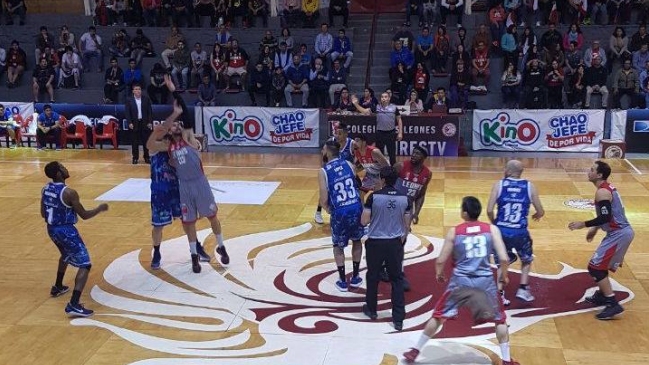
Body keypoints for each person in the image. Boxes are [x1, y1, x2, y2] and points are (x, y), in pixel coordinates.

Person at [403, 196, 519, 365]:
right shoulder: (491, 230)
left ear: (464, 213)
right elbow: (503, 258)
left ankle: (415, 351)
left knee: (438, 316)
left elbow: (441, 260)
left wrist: (439, 273)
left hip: (461, 281)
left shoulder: (455, 231)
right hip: (484, 281)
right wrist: (504, 276)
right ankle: (507, 361)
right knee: (500, 319)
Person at [156, 85, 229, 273]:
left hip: (200, 182)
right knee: (188, 223)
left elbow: (186, 116)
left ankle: (221, 245)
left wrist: (175, 93)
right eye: (174, 124)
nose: (177, 125)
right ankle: (194, 256)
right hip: (184, 187)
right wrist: (165, 124)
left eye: (178, 123)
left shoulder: (189, 138)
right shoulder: (168, 146)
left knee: (212, 216)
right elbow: (155, 138)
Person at [41, 161, 109, 317]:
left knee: (65, 254)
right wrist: (99, 209)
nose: (66, 169)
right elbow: (84, 215)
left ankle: (58, 286)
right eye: (62, 167)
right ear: (58, 173)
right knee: (85, 265)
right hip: (66, 231)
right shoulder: (69, 193)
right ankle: (74, 304)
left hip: (51, 229)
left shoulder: (45, 189)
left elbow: (43, 213)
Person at [568, 160, 634, 320]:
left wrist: (583, 224)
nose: (588, 172)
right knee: (599, 266)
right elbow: (605, 216)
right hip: (616, 233)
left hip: (619, 233)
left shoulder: (602, 193)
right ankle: (604, 295)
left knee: (595, 267)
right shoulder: (605, 189)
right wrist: (595, 229)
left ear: (599, 175)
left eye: (592, 170)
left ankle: (612, 303)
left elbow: (605, 216)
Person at [145, 122, 209, 270]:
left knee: (187, 222)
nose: (176, 128)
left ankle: (196, 246)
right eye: (172, 127)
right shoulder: (155, 148)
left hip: (177, 191)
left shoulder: (179, 149)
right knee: (158, 226)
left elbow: (193, 147)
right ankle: (156, 252)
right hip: (159, 192)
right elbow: (151, 143)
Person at [486, 159, 544, 306]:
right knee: (526, 259)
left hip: (501, 230)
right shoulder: (529, 186)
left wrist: (495, 223)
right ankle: (523, 289)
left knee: (501, 260)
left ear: (508, 171)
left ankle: (500, 292)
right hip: (520, 231)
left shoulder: (499, 184)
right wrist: (537, 215)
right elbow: (540, 210)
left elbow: (489, 210)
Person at [361, 166, 411, 331]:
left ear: (382, 179)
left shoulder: (374, 197)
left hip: (375, 242)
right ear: (396, 180)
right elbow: (407, 224)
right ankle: (398, 319)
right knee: (396, 280)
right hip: (394, 243)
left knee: (373, 276)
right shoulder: (405, 198)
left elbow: (364, 221)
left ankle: (372, 310)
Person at [318, 140, 364, 291]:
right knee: (357, 240)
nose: (322, 152)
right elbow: (357, 185)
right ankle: (356, 277)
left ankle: (343, 281)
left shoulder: (323, 171)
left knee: (338, 246)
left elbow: (324, 199)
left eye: (323, 150)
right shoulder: (350, 165)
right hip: (356, 207)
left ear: (328, 152)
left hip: (340, 211)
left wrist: (330, 210)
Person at [314, 123, 355, 224]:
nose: (337, 136)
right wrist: (324, 168)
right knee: (325, 192)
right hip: (332, 171)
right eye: (336, 133)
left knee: (355, 190)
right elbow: (323, 153)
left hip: (345, 172)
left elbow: (360, 156)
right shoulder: (330, 142)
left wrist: (355, 170)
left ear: (346, 134)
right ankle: (318, 212)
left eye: (340, 134)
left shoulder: (352, 144)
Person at [350, 92, 403, 166]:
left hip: (391, 133)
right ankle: (380, 171)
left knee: (392, 155)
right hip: (380, 133)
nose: (384, 98)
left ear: (389, 98)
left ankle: (392, 173)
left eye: (385, 97)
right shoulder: (376, 107)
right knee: (379, 154)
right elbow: (365, 111)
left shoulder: (394, 108)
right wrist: (356, 104)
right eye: (382, 97)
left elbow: (399, 119)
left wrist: (400, 132)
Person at [395, 145, 431, 225]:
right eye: (413, 152)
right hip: (394, 204)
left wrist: (416, 213)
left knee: (405, 232)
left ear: (424, 157)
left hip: (408, 208)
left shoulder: (427, 174)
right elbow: (386, 185)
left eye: (417, 153)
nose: (413, 155)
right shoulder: (400, 166)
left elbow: (421, 195)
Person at [353, 133, 391, 198]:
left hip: (381, 174)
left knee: (378, 196)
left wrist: (382, 182)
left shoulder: (374, 152)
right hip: (370, 173)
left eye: (357, 140)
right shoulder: (357, 152)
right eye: (354, 140)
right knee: (362, 193)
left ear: (364, 142)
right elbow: (357, 165)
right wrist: (363, 179)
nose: (354, 143)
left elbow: (387, 168)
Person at [125, 83, 153, 164]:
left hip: (144, 123)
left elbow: (149, 112)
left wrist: (150, 122)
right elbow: (127, 113)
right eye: (136, 89)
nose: (138, 91)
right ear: (133, 91)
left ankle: (147, 157)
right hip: (134, 123)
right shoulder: (129, 100)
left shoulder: (146, 99)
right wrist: (129, 122)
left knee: (146, 142)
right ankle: (135, 158)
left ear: (141, 91)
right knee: (135, 142)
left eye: (139, 89)